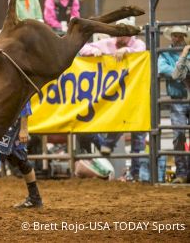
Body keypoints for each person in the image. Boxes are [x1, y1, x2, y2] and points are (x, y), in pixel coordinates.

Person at [78, 17, 149, 180]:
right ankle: (107, 145)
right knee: (112, 121)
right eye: (118, 32)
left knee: (138, 137)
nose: (120, 36)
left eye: (124, 33)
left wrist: (127, 51)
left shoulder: (137, 45)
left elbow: (142, 49)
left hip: (134, 94)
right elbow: (83, 49)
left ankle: (134, 173)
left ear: (131, 34)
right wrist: (93, 51)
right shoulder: (108, 43)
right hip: (112, 95)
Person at [160, 25, 190, 184]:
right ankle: (182, 173)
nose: (177, 38)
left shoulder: (166, 54)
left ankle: (185, 173)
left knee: (179, 136)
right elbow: (163, 70)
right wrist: (180, 70)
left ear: (184, 37)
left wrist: (177, 72)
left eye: (180, 35)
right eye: (174, 35)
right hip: (177, 98)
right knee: (179, 135)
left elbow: (172, 72)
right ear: (171, 37)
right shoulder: (165, 53)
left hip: (184, 98)